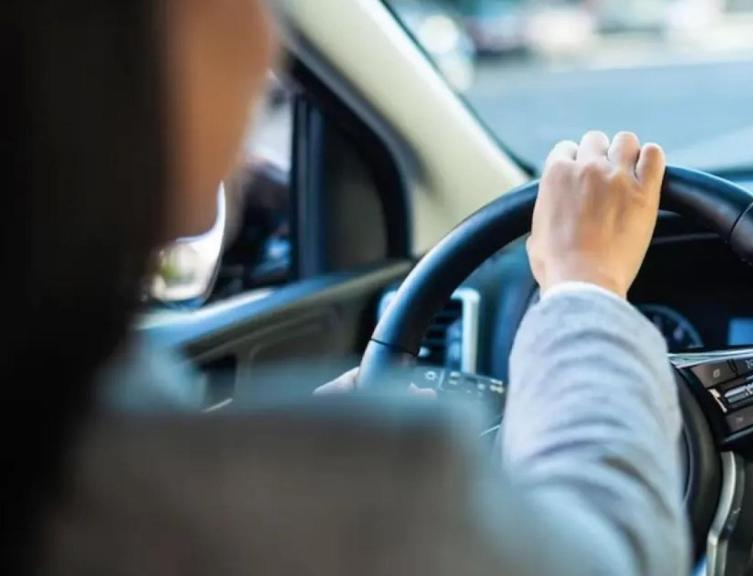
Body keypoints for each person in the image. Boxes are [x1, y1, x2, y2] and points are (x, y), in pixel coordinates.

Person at [3, 1, 688, 574]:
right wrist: (585, 287)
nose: (270, 49)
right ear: (102, 61)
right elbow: (615, 552)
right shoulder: (365, 493)